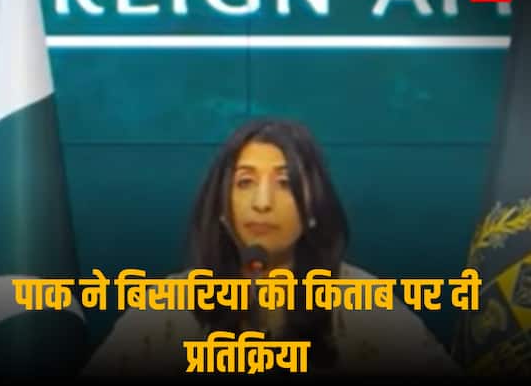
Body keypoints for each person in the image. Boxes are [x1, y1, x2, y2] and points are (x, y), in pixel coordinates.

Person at [82, 119, 462, 377]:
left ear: (313, 206)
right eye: (245, 183)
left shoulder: (362, 303)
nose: (262, 203)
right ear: (221, 205)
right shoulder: (168, 307)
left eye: (284, 184)